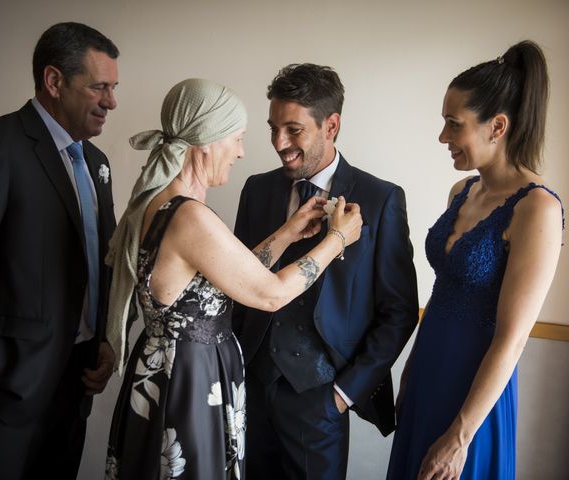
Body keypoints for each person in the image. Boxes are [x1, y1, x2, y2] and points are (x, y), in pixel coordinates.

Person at [103, 78, 363, 480]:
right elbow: (270, 293)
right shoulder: (189, 216)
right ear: (207, 141)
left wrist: (288, 233)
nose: (242, 152)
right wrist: (336, 239)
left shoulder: (161, 203)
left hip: (173, 372)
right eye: (237, 139)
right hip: (188, 385)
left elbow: (223, 277)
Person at [0, 22, 119, 479]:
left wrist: (107, 341)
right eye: (99, 87)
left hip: (76, 383)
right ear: (54, 81)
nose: (111, 102)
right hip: (9, 386)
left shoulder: (97, 162)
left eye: (113, 88)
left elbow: (102, 263)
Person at [386, 40, 564, 480]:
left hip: (474, 394)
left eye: (453, 124)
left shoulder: (537, 209)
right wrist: (410, 367)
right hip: (428, 368)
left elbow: (513, 339)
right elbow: (443, 289)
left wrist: (461, 435)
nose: (443, 137)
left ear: (497, 126)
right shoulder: (461, 192)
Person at [232, 63, 419, 479]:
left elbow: (399, 311)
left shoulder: (381, 198)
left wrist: (343, 394)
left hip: (321, 399)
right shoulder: (257, 190)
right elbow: (239, 283)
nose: (279, 142)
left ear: (330, 125)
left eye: (293, 129)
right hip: (250, 388)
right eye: (273, 128)